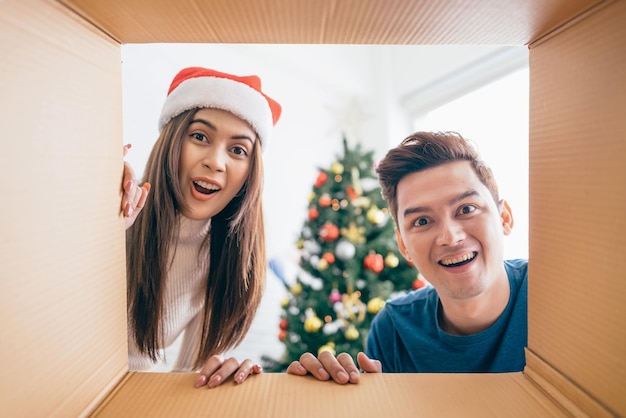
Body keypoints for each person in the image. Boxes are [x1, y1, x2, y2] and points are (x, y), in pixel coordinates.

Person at [287, 131, 527, 384]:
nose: (450, 237)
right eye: (422, 221)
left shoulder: (552, 299)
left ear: (504, 218)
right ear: (403, 245)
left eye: (466, 209)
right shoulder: (393, 329)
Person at [120, 66, 282, 388]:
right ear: (171, 142)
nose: (215, 162)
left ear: (251, 173)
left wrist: (221, 380)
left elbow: (187, 381)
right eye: (199, 136)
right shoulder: (120, 204)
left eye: (238, 150)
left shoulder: (227, 261)